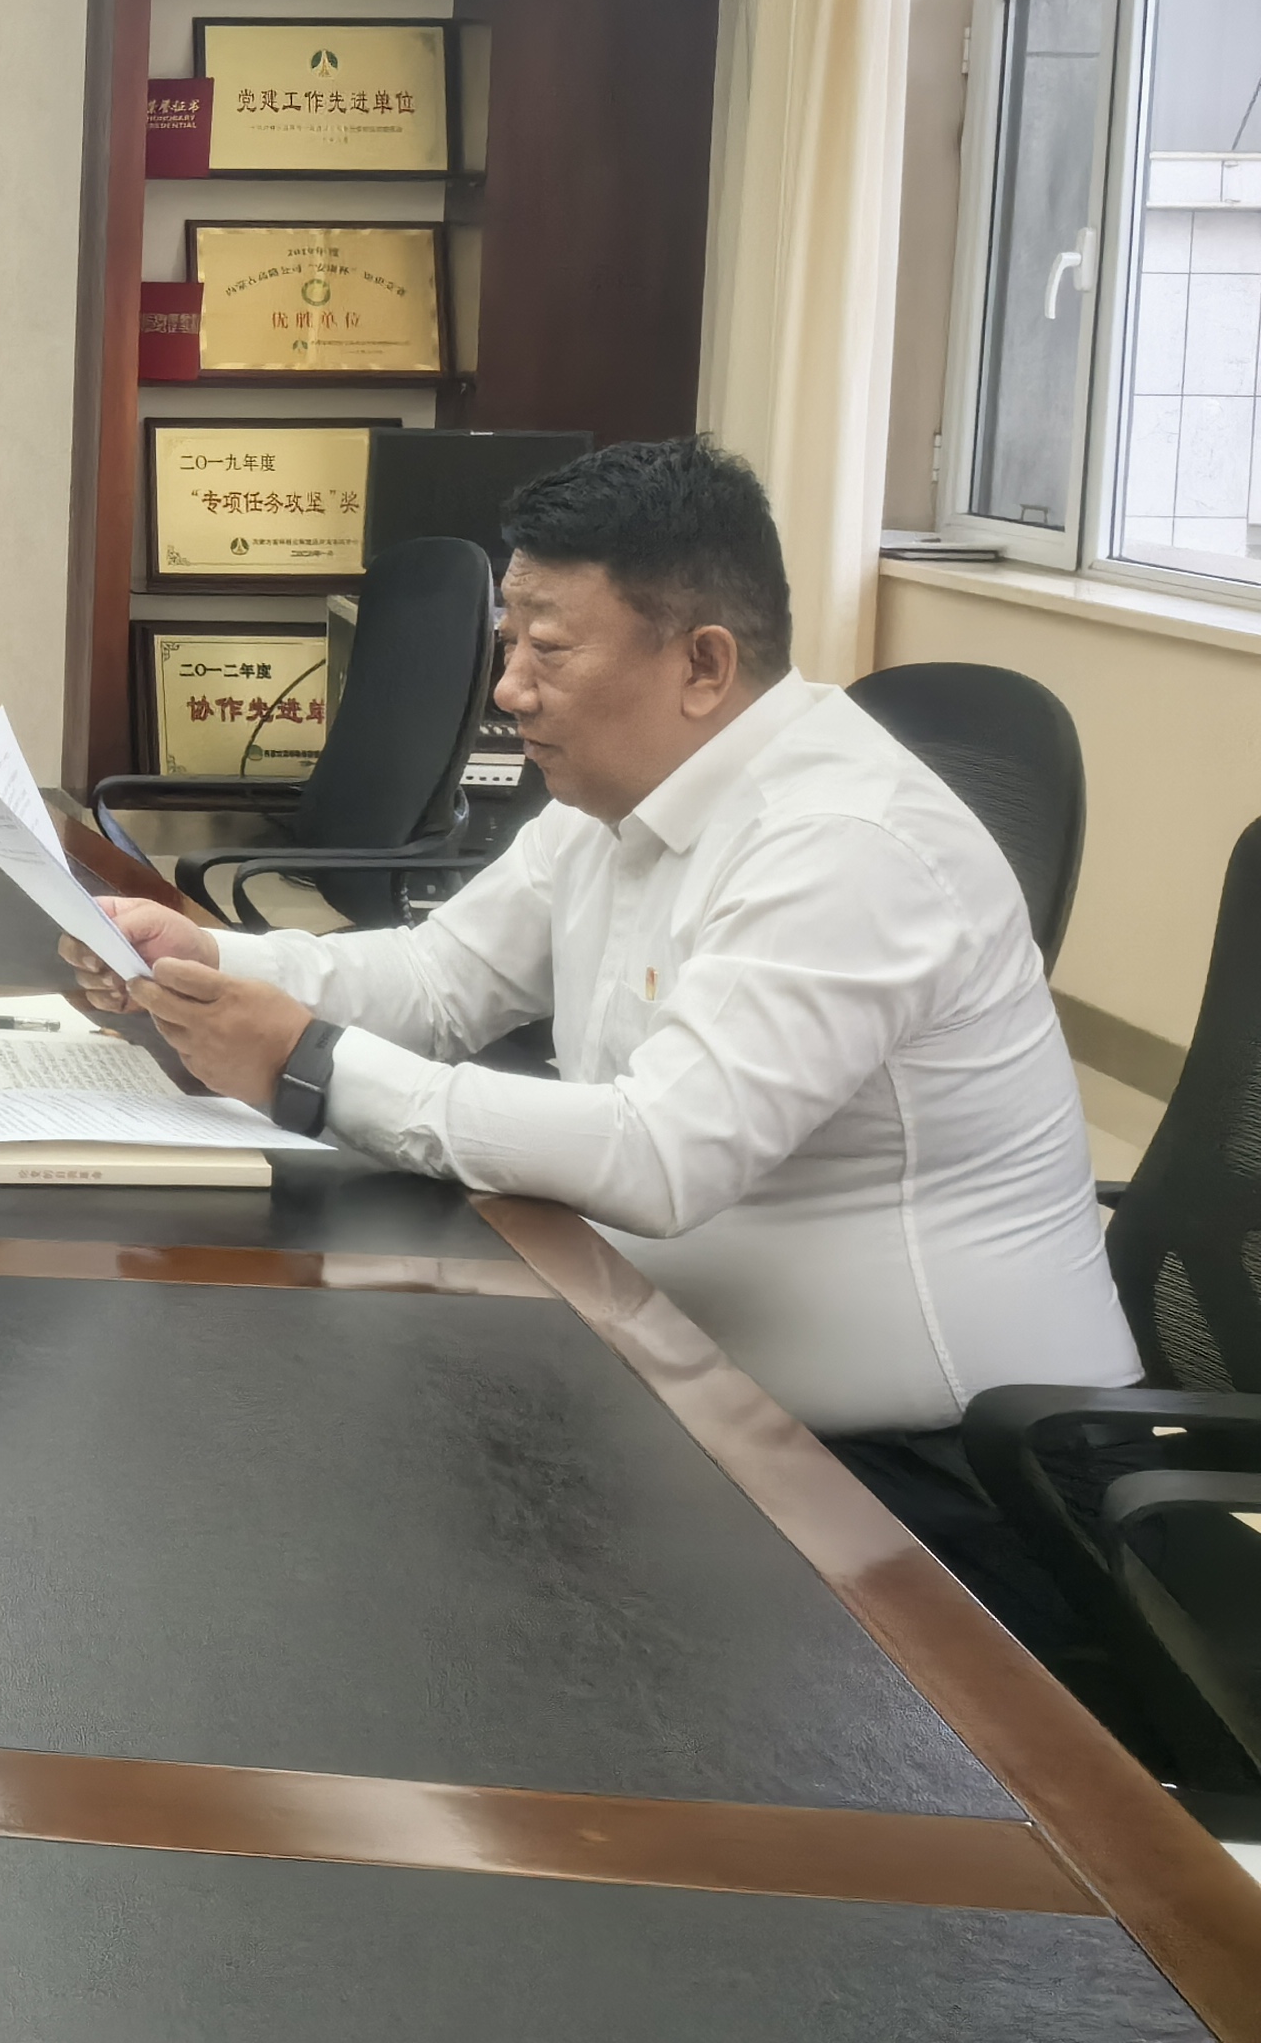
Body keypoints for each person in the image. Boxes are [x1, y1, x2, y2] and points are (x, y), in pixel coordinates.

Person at [65, 436, 1139, 1649]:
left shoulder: (845, 843)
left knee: (420, 1585)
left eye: (549, 650)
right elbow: (440, 978)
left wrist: (309, 1064)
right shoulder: (615, 797)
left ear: (702, 665)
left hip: (947, 1493)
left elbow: (661, 1156)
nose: (508, 689)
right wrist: (213, 962)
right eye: (507, 644)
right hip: (704, 1391)